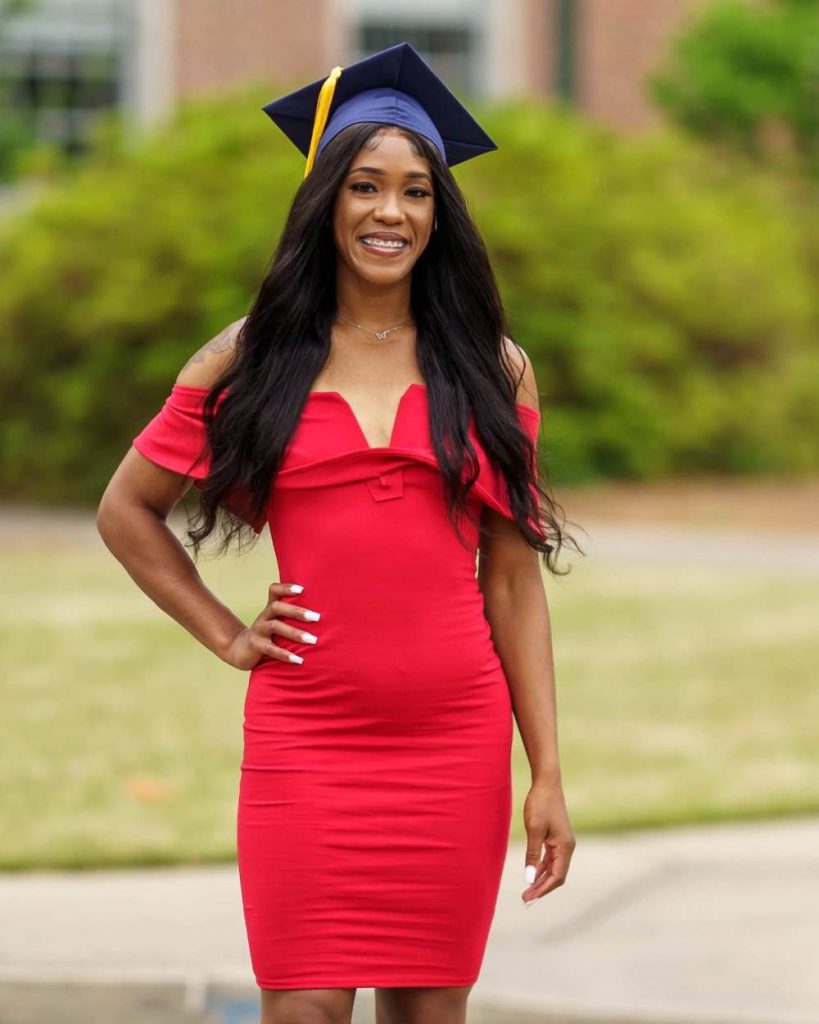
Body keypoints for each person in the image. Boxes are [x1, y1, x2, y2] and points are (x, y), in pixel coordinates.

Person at [97, 41, 578, 1024]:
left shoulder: (494, 368)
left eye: (415, 192)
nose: (390, 212)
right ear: (328, 202)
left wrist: (548, 775)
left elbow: (515, 584)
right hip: (307, 741)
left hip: (456, 743)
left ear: (440, 216)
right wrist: (227, 632)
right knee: (303, 1006)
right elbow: (126, 510)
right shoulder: (248, 357)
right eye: (365, 186)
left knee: (427, 1015)